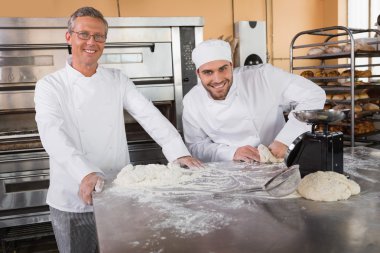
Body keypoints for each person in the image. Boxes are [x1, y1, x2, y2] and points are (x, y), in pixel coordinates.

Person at [34, 6, 201, 253]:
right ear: (69, 37)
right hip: (72, 195)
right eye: (84, 34)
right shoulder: (50, 85)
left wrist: (177, 151)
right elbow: (52, 134)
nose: (92, 42)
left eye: (99, 36)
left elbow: (149, 114)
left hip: (116, 191)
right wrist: (84, 173)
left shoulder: (117, 79)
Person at [182, 39, 326, 163]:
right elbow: (195, 146)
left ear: (231, 66)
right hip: (229, 170)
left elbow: (313, 94)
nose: (218, 79)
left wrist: (285, 139)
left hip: (280, 163)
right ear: (198, 73)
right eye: (208, 72)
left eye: (223, 69)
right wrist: (232, 153)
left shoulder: (263, 77)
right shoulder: (192, 101)